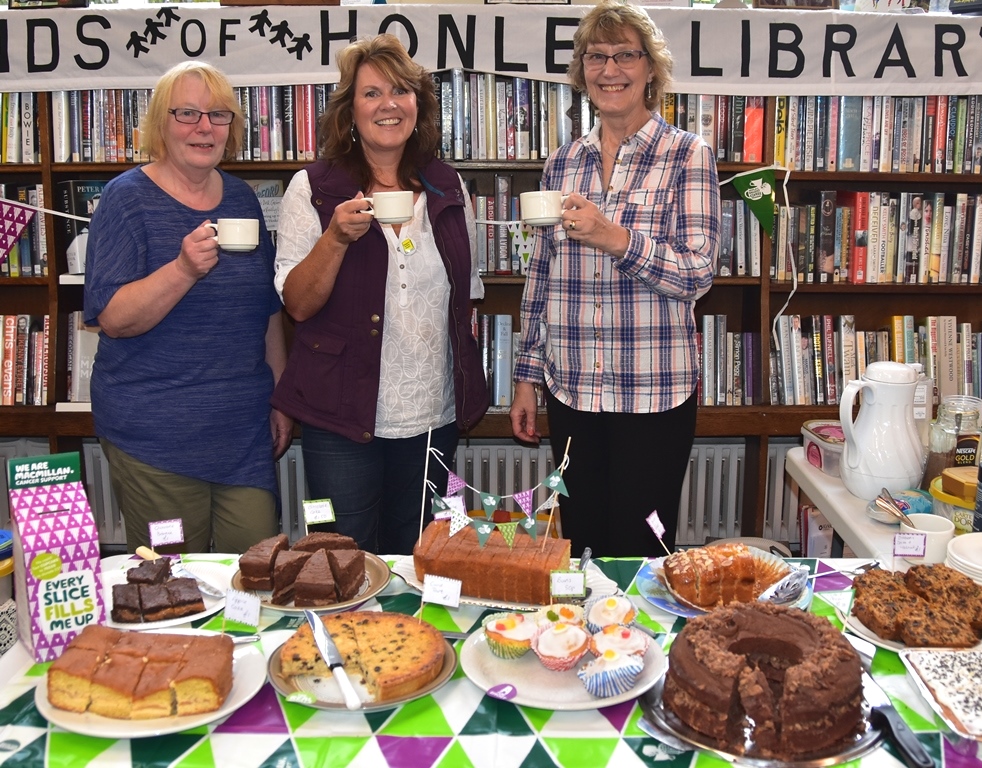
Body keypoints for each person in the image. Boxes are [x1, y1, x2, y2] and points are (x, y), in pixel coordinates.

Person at [509, 0, 720, 558]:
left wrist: (617, 239)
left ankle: (638, 648)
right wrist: (527, 377)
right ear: (581, 72)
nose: (610, 70)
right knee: (580, 544)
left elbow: (698, 271)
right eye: (595, 57)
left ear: (651, 68)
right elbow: (542, 277)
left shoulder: (687, 155)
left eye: (625, 55)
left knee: (642, 549)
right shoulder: (563, 163)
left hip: (654, 392)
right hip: (572, 389)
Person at [272, 34, 488, 556]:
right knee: (341, 557)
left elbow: (468, 294)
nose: (388, 104)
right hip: (341, 416)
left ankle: (412, 640)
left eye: (401, 91)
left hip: (433, 417)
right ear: (350, 110)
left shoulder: (447, 185)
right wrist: (335, 240)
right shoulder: (314, 188)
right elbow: (297, 304)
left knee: (420, 555)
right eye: (371, 93)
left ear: (419, 104)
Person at [84, 61, 292, 554]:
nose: (204, 127)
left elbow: (267, 310)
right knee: (177, 582)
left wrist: (282, 396)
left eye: (218, 115)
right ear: (160, 123)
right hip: (155, 436)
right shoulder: (125, 199)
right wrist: (182, 269)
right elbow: (112, 317)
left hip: (242, 432)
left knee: (258, 572)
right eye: (187, 113)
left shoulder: (242, 198)